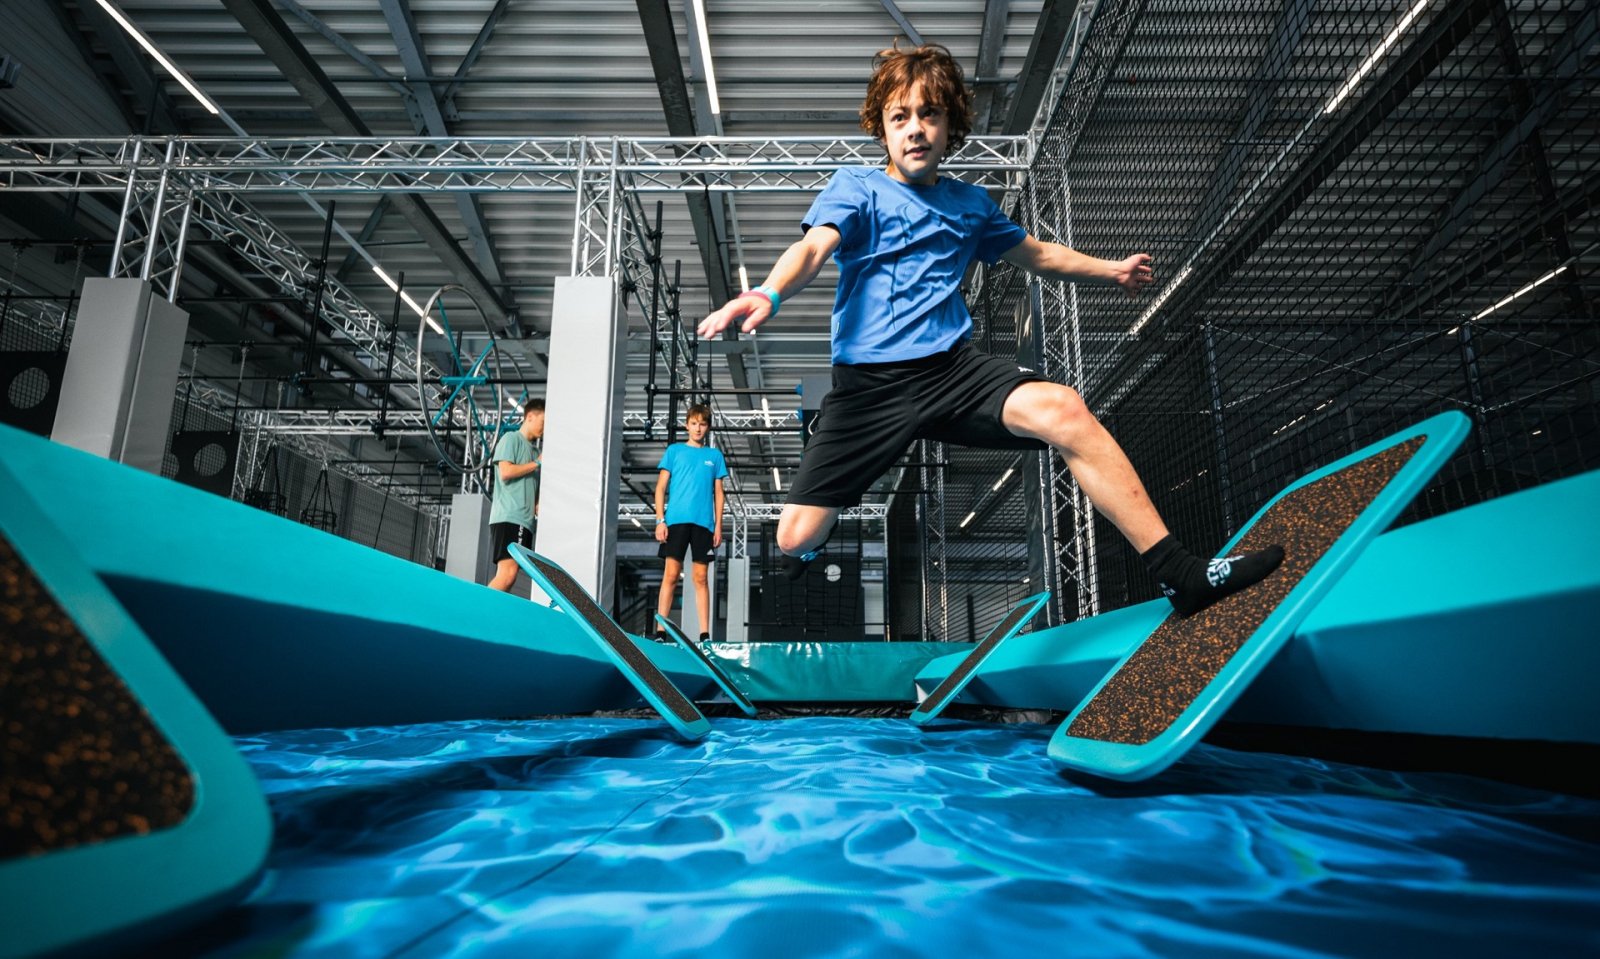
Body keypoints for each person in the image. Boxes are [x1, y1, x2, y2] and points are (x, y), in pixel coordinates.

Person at [697, 42, 1282, 617]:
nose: (916, 129)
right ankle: (813, 537)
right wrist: (767, 292)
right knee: (794, 539)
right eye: (900, 117)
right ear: (883, 130)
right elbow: (813, 247)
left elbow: (1039, 256)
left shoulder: (971, 206)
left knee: (1065, 412)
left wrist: (1112, 269)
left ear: (951, 125)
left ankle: (1181, 575)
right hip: (867, 390)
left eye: (930, 114)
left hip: (953, 372)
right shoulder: (858, 189)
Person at [654, 404, 728, 640]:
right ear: (687, 425)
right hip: (675, 521)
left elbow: (719, 492)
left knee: (700, 578)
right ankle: (660, 631)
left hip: (703, 524)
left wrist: (718, 525)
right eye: (694, 423)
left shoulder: (714, 456)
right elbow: (660, 488)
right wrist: (659, 520)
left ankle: (705, 633)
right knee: (671, 575)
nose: (698, 428)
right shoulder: (674, 451)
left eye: (702, 424)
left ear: (707, 428)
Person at [487, 399, 544, 592]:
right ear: (530, 417)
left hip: (525, 520)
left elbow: (530, 487)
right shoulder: (511, 439)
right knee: (507, 574)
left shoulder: (535, 451)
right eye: (542, 422)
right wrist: (537, 463)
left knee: (509, 576)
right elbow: (506, 472)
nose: (543, 429)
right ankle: (476, 613)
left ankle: (487, 614)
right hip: (510, 516)